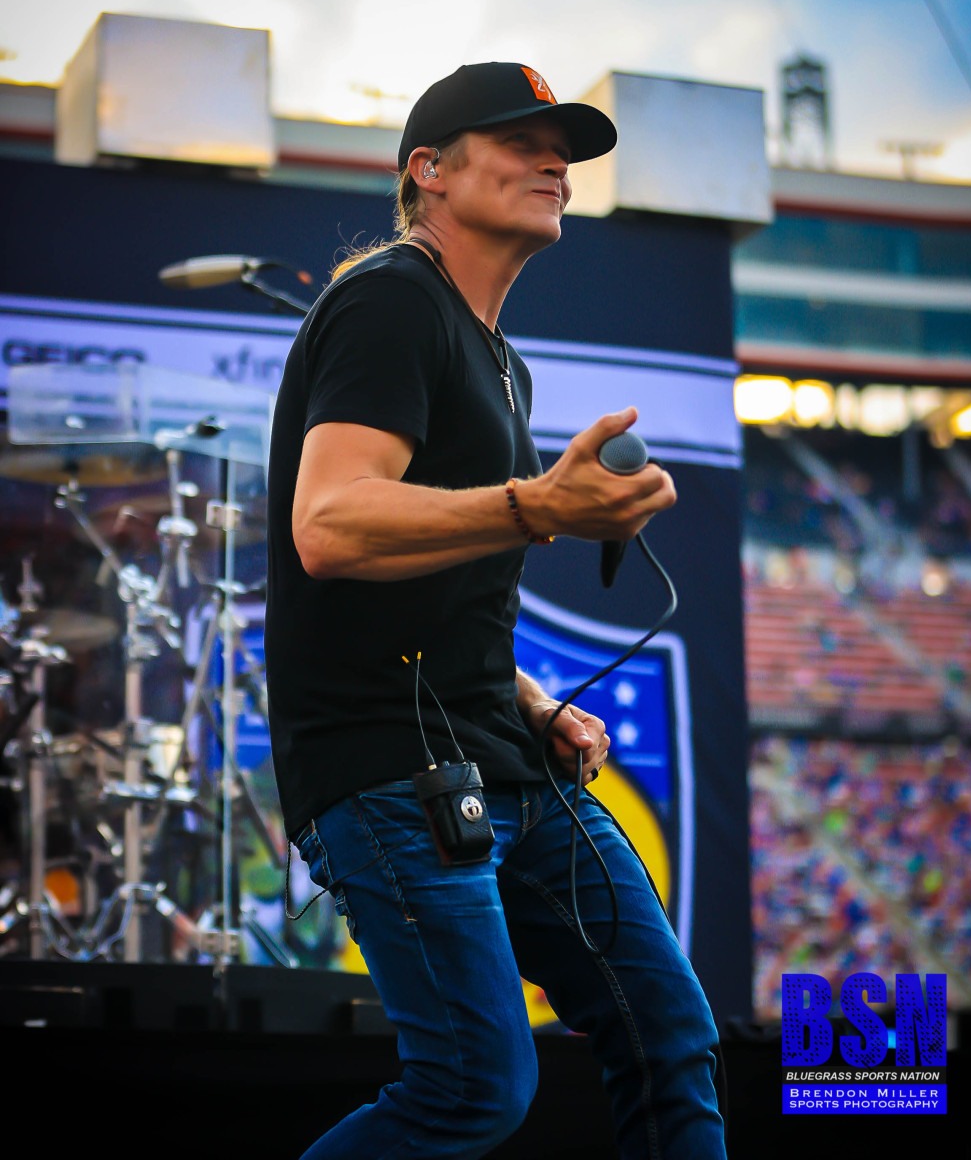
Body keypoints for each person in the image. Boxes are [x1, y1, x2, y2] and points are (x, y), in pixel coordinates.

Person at [266, 61, 726, 1160]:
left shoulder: (503, 363)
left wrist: (528, 701)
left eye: (562, 150)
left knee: (669, 1034)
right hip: (389, 763)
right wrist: (536, 505)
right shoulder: (388, 299)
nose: (554, 163)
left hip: (496, 752)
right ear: (429, 169)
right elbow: (329, 525)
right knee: (473, 1087)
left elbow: (434, 593)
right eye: (522, 141)